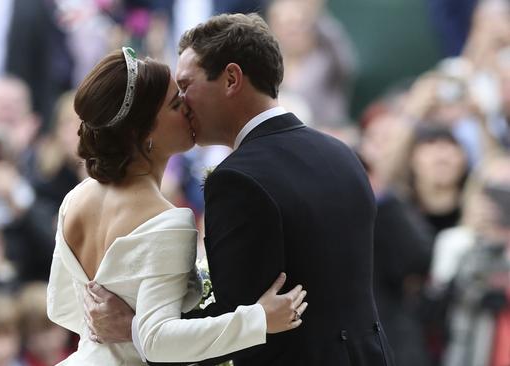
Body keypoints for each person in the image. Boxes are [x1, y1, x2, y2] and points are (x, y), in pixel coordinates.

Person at [84, 13, 395, 365]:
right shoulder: (342, 153)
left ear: (231, 78)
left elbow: (241, 323)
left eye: (186, 85)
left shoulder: (237, 180)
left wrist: (135, 330)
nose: (182, 102)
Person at [46, 47, 308, 366]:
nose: (187, 108)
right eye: (174, 104)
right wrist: (258, 320)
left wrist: (120, 332)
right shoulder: (167, 221)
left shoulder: (78, 197)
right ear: (142, 134)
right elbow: (158, 341)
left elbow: (60, 307)